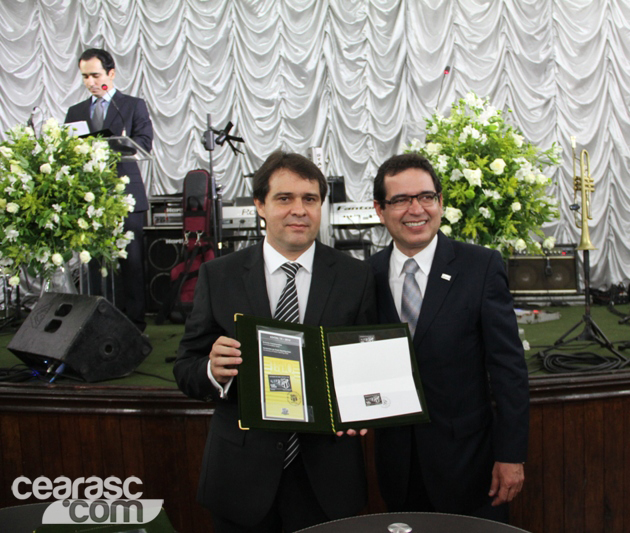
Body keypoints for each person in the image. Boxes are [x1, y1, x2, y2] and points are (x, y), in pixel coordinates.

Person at [173, 151, 377, 532]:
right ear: (260, 205)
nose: (299, 210)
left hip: (328, 478)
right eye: (285, 198)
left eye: (310, 199)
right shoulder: (219, 276)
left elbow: (366, 365)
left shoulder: (356, 277)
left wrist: (361, 406)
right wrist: (212, 370)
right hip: (240, 478)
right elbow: (186, 368)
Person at [369, 153, 529, 522]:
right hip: (398, 469)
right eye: (401, 199)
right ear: (380, 209)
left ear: (440, 202)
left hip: (471, 468)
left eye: (426, 197)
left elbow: (508, 370)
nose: (416, 209)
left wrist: (511, 455)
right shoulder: (366, 275)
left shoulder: (481, 267)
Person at [64, 48, 153, 331]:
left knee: (131, 261)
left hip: (126, 195)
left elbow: (144, 142)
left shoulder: (132, 105)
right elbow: (68, 151)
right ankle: (95, 320)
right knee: (92, 262)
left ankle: (134, 324)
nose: (90, 82)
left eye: (95, 75)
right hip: (91, 197)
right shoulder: (76, 112)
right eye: (85, 77)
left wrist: (113, 145)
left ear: (111, 74)